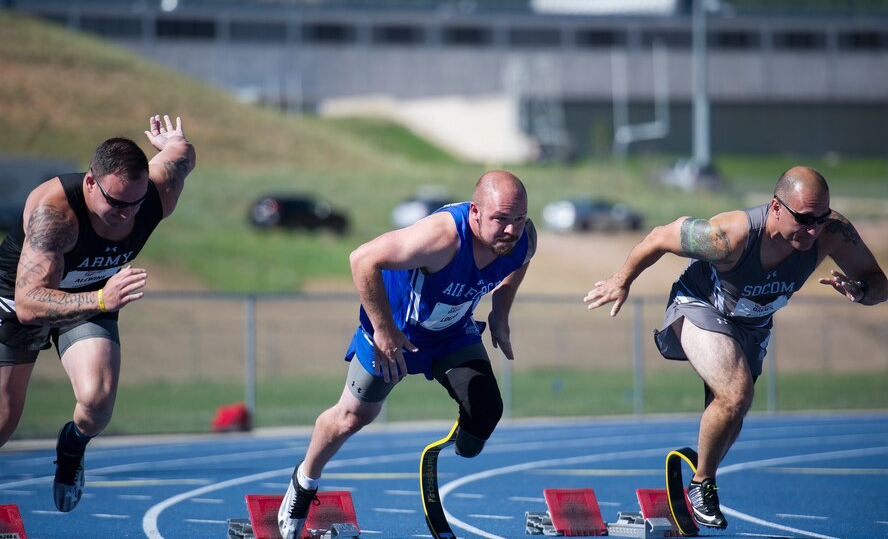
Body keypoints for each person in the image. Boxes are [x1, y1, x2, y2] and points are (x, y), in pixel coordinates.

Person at [583, 166, 886, 530]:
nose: (812, 230)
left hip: (754, 325)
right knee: (737, 392)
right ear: (776, 207)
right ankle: (701, 484)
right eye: (804, 219)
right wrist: (621, 281)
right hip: (701, 305)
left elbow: (879, 283)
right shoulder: (728, 236)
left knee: (735, 410)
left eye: (820, 219)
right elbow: (658, 237)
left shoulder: (833, 233)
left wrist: (863, 291)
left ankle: (703, 465)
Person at [277, 170, 536, 539]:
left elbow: (519, 261)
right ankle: (303, 483)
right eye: (500, 220)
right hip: (395, 333)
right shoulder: (441, 238)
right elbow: (362, 259)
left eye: (519, 219)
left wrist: (501, 312)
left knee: (486, 412)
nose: (511, 231)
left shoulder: (523, 238)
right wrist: (383, 330)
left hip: (452, 334)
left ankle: (460, 432)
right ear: (475, 212)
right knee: (352, 417)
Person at [0, 115, 196, 512]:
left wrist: (174, 142)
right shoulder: (54, 213)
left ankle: (72, 447)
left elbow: (182, 156)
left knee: (97, 403)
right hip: (25, 298)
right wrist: (102, 301)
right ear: (91, 182)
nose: (126, 214)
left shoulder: (159, 193)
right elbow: (28, 302)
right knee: (3, 421)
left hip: (92, 293)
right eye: (116, 203)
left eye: (135, 204)